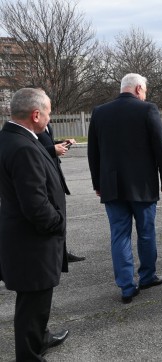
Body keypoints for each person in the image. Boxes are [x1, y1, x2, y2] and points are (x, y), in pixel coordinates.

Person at [88, 73, 162, 304]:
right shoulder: (147, 110)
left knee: (119, 235)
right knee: (146, 232)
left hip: (112, 186)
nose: (145, 95)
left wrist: (98, 184)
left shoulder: (99, 112)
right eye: (144, 90)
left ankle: (127, 287)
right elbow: (161, 148)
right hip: (142, 185)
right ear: (138, 89)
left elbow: (93, 153)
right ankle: (147, 276)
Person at [0, 88, 69, 360]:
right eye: (49, 113)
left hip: (21, 235)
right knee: (33, 301)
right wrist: (57, 223)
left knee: (37, 299)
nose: (50, 119)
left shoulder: (10, 137)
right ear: (36, 114)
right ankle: (29, 354)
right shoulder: (24, 147)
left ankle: (41, 336)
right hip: (32, 240)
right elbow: (35, 205)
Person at [37, 123, 86, 262]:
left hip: (56, 174)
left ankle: (62, 252)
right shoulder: (33, 128)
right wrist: (53, 150)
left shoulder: (47, 126)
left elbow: (47, 143)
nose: (49, 115)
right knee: (53, 217)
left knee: (61, 214)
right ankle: (56, 254)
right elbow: (33, 150)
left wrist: (62, 143)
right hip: (46, 178)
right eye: (48, 111)